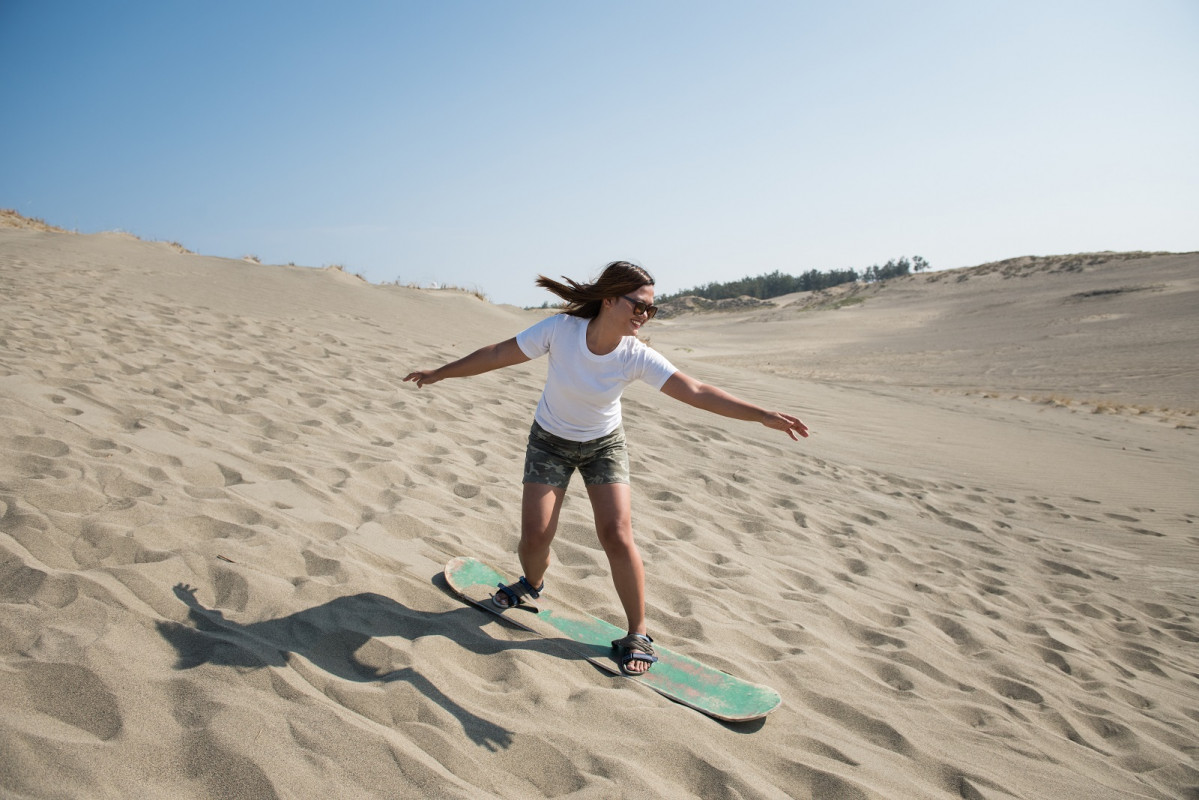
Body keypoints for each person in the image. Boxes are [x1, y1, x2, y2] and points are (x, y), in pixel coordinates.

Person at [404, 261, 808, 675]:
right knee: (535, 537)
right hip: (549, 443)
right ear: (609, 298)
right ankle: (531, 584)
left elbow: (696, 390)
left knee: (616, 534)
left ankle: (638, 632)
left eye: (651, 309)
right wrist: (441, 373)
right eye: (638, 305)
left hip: (603, 447)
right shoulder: (561, 331)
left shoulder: (635, 356)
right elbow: (497, 353)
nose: (644, 315)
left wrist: (760, 415)